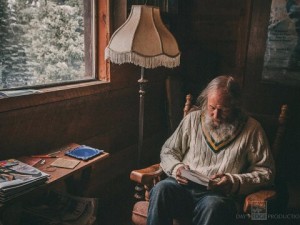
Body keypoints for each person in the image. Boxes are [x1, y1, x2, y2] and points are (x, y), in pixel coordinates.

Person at [147, 75, 275, 225]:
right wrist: (177, 168)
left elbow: (266, 173)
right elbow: (168, 151)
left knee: (213, 206)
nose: (215, 115)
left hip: (218, 196)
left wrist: (233, 181)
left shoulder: (252, 129)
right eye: (212, 107)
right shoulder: (192, 119)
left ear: (236, 106)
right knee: (161, 189)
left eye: (224, 110)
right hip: (183, 187)